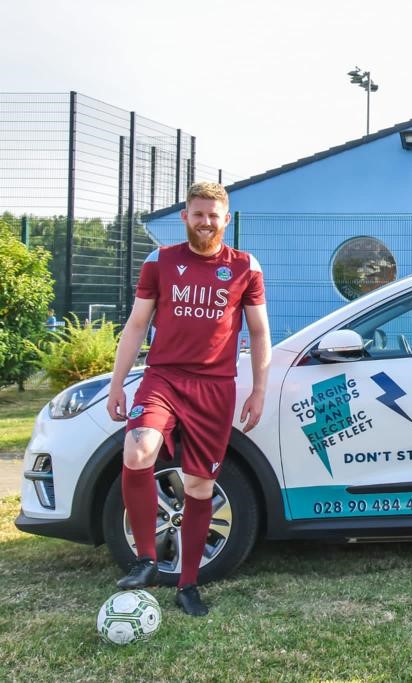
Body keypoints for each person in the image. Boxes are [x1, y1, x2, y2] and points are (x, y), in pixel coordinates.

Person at [106, 181, 271, 616]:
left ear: (226, 219)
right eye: (197, 214)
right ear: (185, 217)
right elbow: (137, 324)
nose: (205, 222)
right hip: (164, 378)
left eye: (213, 215)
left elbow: (258, 331)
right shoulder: (160, 262)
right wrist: (115, 384)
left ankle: (189, 583)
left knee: (200, 486)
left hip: (215, 387)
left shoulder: (245, 267)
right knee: (138, 449)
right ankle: (145, 559)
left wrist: (258, 389)